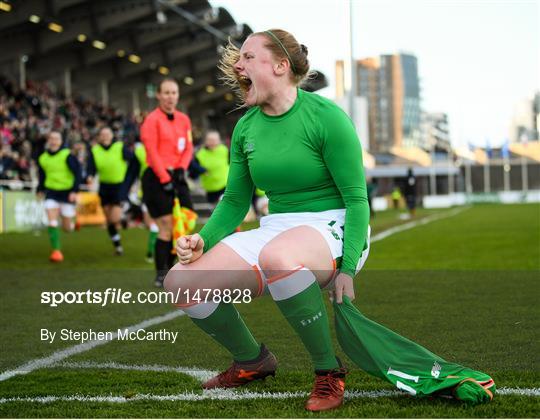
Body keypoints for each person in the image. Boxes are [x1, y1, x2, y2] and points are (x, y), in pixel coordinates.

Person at [164, 29, 370, 412]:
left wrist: (348, 268)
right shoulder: (245, 127)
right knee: (181, 282)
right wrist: (202, 241)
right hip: (279, 229)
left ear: (280, 66)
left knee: (279, 257)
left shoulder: (327, 118)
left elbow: (357, 200)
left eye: (248, 57)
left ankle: (329, 371)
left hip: (336, 224)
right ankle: (251, 360)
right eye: (238, 58)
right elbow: (235, 201)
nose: (238, 65)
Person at [140, 78, 195, 288]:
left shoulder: (184, 120)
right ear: (159, 95)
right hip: (156, 177)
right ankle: (161, 274)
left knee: (186, 220)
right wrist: (164, 178)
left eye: (174, 93)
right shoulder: (152, 120)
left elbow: (188, 147)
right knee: (166, 226)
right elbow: (151, 152)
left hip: (177, 175)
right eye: (166, 93)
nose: (170, 97)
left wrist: (182, 168)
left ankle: (172, 271)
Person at [86, 126, 133, 255]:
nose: (105, 136)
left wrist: (130, 178)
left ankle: (125, 215)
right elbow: (91, 167)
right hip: (104, 187)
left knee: (114, 218)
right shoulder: (95, 150)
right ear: (99, 137)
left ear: (112, 135)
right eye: (103, 134)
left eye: (108, 133)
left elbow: (133, 160)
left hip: (119, 186)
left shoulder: (119, 147)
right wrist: (89, 176)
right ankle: (118, 246)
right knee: (108, 220)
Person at [37, 130, 81, 262]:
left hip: (66, 193)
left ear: (61, 141)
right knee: (52, 221)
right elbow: (42, 175)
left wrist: (74, 190)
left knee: (67, 228)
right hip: (51, 192)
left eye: (56, 138)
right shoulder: (43, 158)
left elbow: (78, 173)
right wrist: (40, 189)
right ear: (48, 141)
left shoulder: (67, 155)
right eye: (51, 138)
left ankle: (74, 223)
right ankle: (56, 251)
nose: (54, 141)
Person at [195, 130, 229, 205]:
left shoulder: (224, 150)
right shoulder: (200, 154)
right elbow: (194, 168)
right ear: (206, 141)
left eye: (215, 140)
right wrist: (202, 170)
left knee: (224, 205)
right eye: (210, 140)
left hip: (225, 184)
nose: (212, 142)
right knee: (215, 209)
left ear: (219, 141)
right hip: (210, 187)